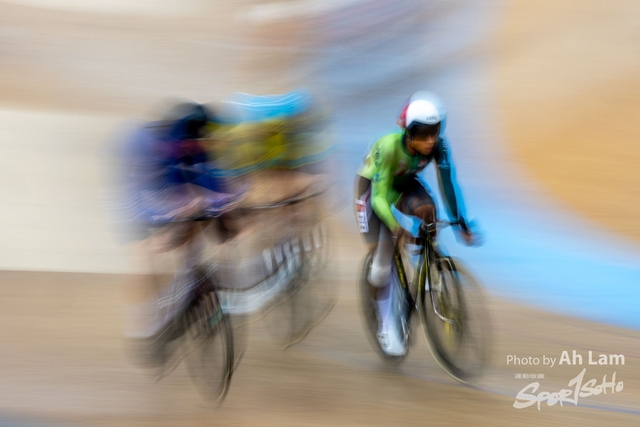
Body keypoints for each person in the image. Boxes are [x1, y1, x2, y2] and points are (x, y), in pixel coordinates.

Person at [117, 101, 243, 365]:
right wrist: (171, 217)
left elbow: (211, 179)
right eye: (196, 142)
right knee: (145, 257)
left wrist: (229, 203)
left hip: (168, 179)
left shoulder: (196, 143)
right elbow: (142, 195)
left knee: (197, 214)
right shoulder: (151, 146)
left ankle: (188, 283)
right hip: (135, 190)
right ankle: (141, 327)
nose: (203, 146)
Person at [354, 91, 481, 356]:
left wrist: (459, 220)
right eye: (423, 134)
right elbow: (379, 197)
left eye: (435, 132)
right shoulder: (388, 146)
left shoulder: (439, 147)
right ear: (408, 133)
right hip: (373, 190)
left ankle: (426, 266)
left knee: (429, 211)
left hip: (403, 183)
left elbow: (448, 184)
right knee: (383, 256)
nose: (430, 140)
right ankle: (385, 324)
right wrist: (394, 226)